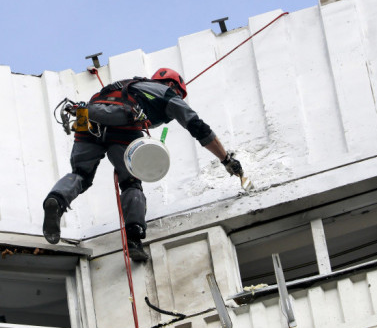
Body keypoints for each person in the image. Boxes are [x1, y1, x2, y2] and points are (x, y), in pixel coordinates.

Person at [42, 68, 243, 261]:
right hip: (124, 126)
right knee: (131, 182)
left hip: (87, 117)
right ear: (172, 85)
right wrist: (226, 159)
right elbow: (197, 126)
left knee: (80, 175)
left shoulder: (127, 86)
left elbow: (106, 105)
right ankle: (134, 238)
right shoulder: (167, 94)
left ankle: (56, 200)